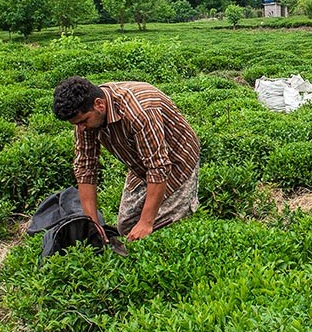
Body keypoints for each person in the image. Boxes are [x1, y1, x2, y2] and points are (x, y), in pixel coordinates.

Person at [52, 77, 201, 242]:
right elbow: (85, 168)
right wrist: (93, 225)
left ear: (99, 104)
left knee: (159, 228)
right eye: (76, 124)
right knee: (126, 227)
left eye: (83, 121)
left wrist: (146, 222)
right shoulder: (86, 120)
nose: (80, 128)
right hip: (140, 162)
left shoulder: (139, 111)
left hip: (177, 158)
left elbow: (158, 167)